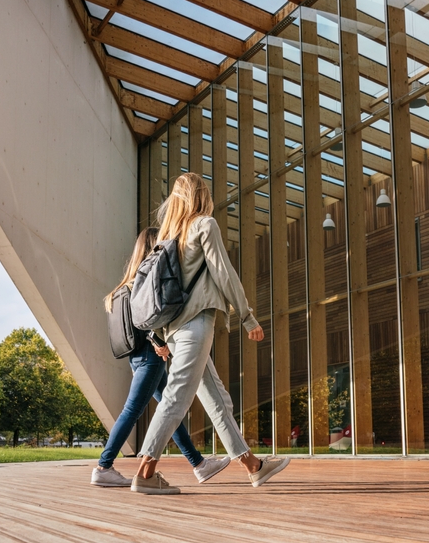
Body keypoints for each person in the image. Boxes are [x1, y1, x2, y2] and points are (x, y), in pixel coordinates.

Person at [132, 173, 290, 495]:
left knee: (218, 398)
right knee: (177, 396)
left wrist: (160, 337)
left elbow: (160, 293)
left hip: (175, 331)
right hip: (195, 327)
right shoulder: (204, 224)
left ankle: (253, 467)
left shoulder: (168, 236)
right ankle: (146, 471)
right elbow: (224, 272)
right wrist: (247, 317)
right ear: (202, 195)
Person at [93, 227, 230, 487]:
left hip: (136, 357)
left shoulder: (123, 285)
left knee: (169, 411)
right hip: (150, 356)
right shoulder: (142, 282)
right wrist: (158, 342)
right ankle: (104, 465)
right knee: (134, 410)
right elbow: (145, 319)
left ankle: (199, 464)